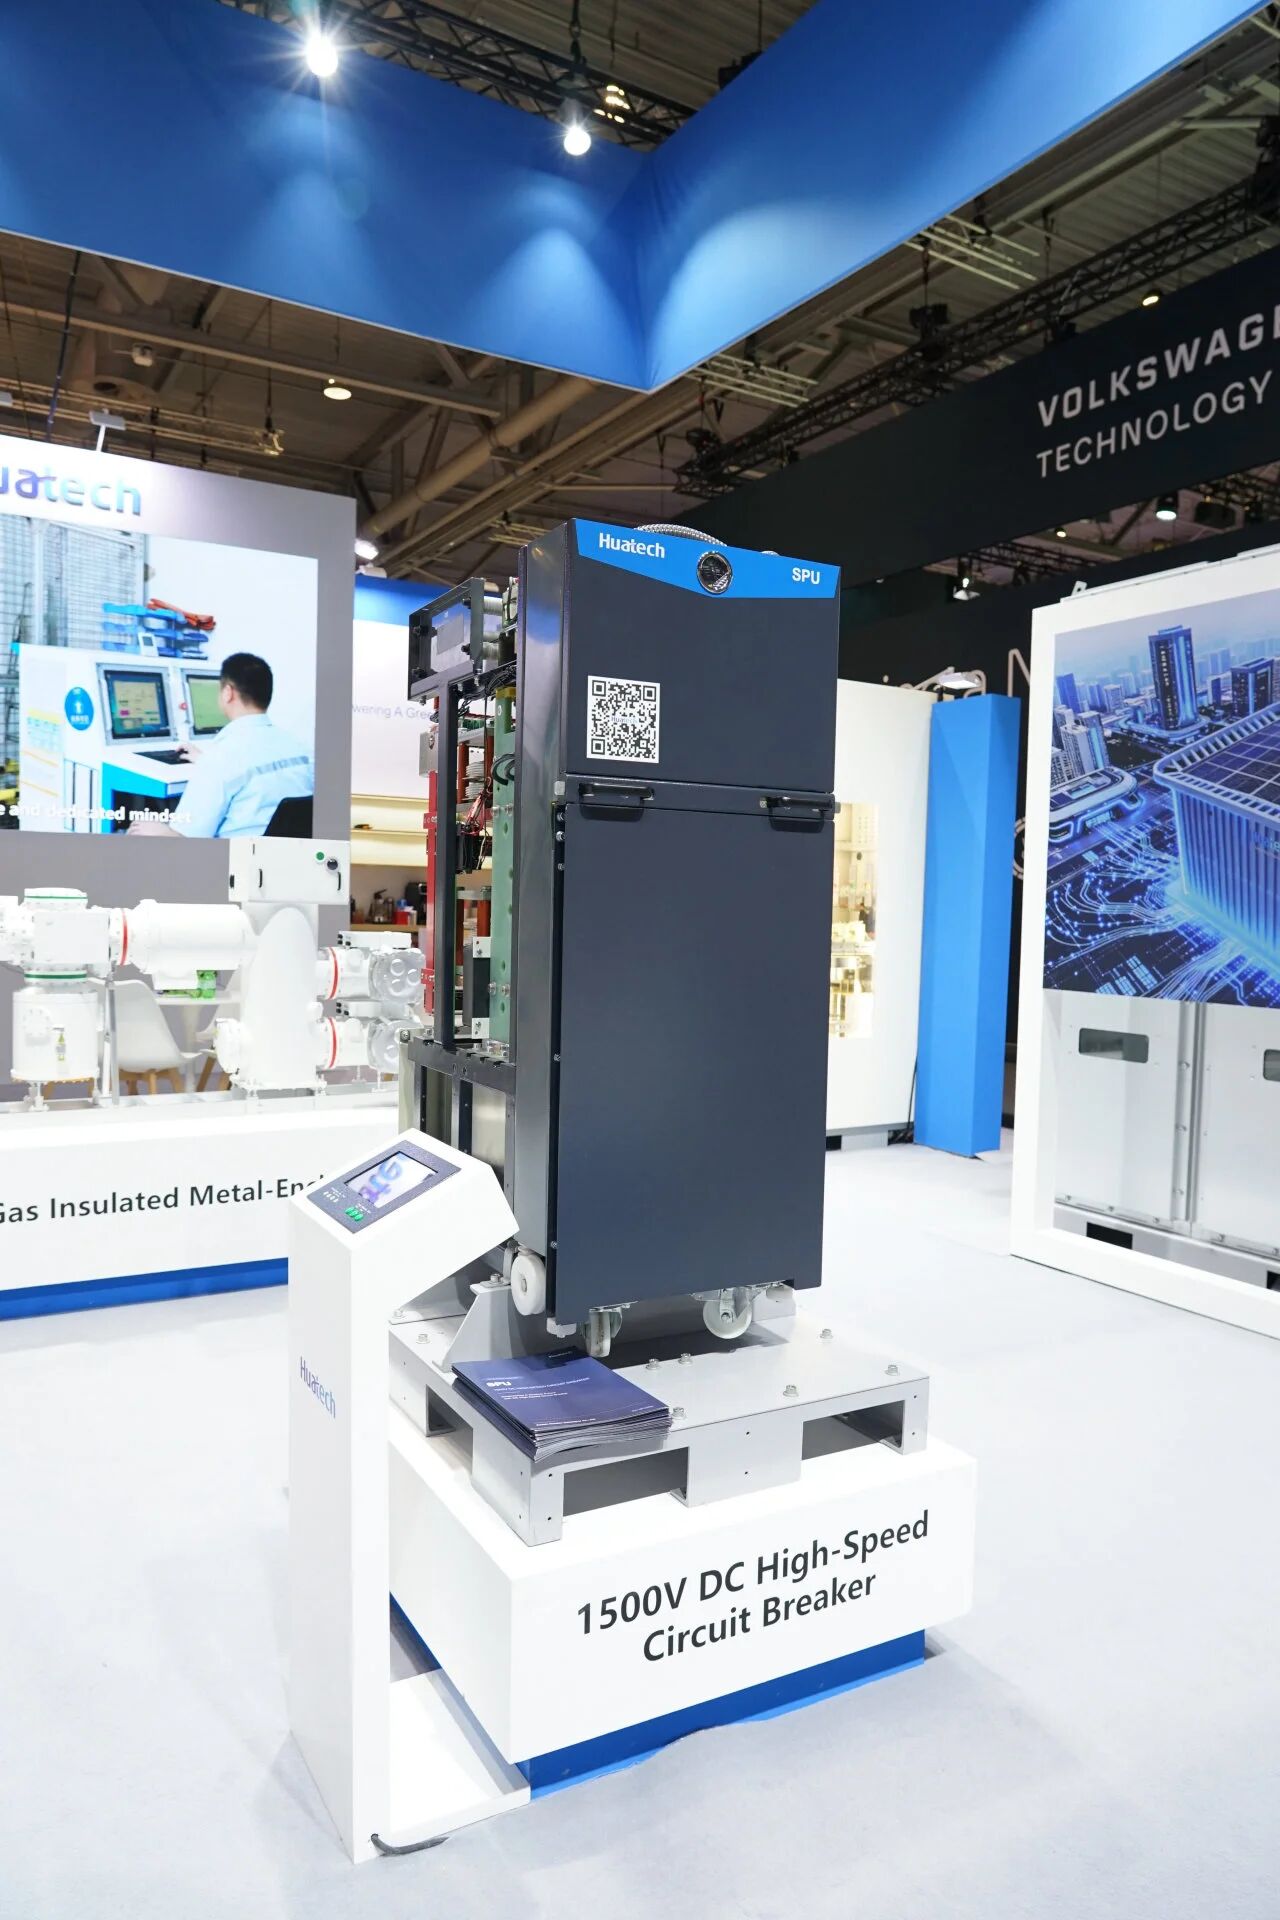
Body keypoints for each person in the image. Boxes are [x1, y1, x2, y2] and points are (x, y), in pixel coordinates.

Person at [128, 652, 313, 839]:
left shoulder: (221, 758)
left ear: (227, 693)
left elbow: (186, 839)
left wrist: (153, 828)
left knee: (139, 829)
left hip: (234, 856)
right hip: (283, 853)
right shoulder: (300, 748)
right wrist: (205, 760)